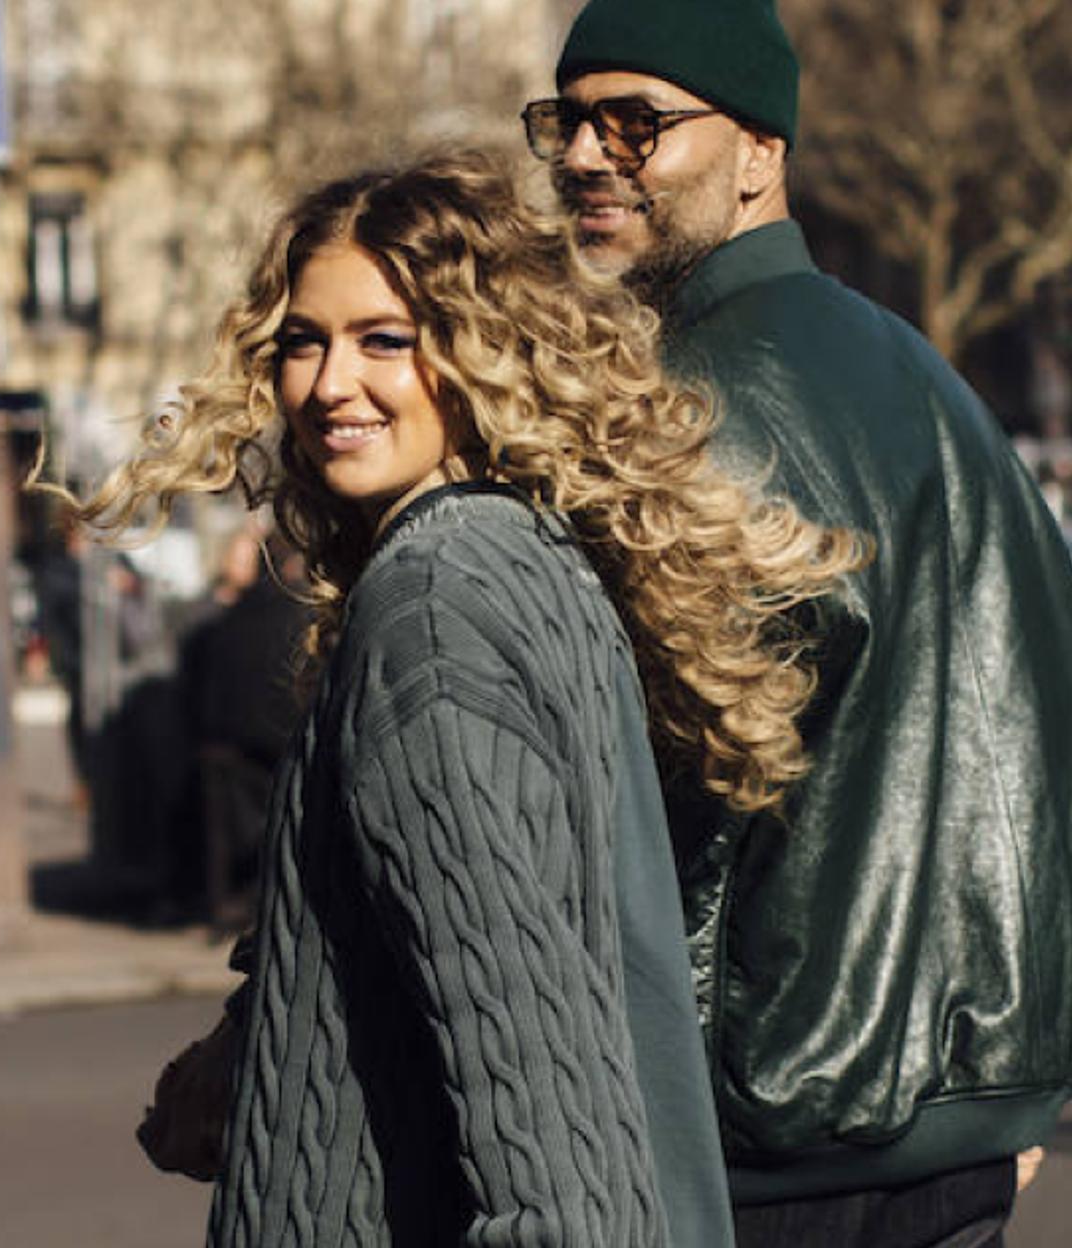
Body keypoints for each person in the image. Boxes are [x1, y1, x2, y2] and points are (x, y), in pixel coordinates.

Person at [75, 150, 865, 1246]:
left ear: (482, 350)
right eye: (306, 340)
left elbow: (540, 1116)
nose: (330, 384)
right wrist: (257, 1055)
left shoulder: (433, 614)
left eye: (385, 341)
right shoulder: (521, 550)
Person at [524, 2, 1072, 1244]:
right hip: (955, 1118)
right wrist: (1022, 1080)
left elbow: (646, 789)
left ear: (760, 153)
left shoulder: (692, 403)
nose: (583, 157)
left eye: (637, 123)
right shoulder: (923, 376)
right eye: (567, 122)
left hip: (772, 1126)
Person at [176, 516, 311, 930]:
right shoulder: (295, 615)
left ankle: (229, 906)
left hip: (230, 740)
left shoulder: (227, 618)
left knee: (232, 837)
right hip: (273, 741)